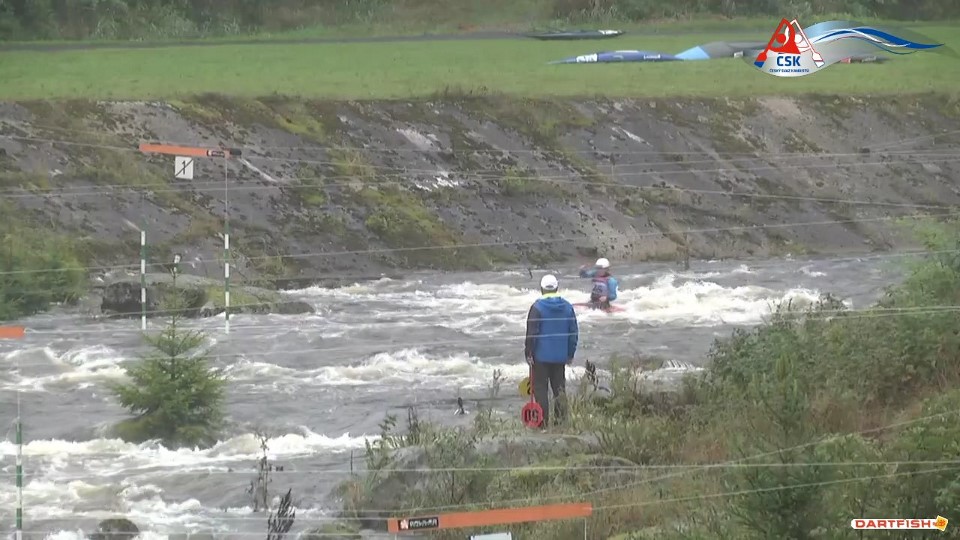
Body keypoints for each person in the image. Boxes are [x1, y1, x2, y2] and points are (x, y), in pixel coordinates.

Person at [524, 274, 579, 428]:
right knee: (559, 390)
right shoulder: (568, 307)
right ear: (557, 288)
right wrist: (570, 353)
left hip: (540, 357)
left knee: (541, 390)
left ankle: (542, 424)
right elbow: (573, 333)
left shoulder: (537, 308)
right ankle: (561, 423)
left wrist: (528, 353)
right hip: (560, 357)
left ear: (542, 289)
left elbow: (531, 333)